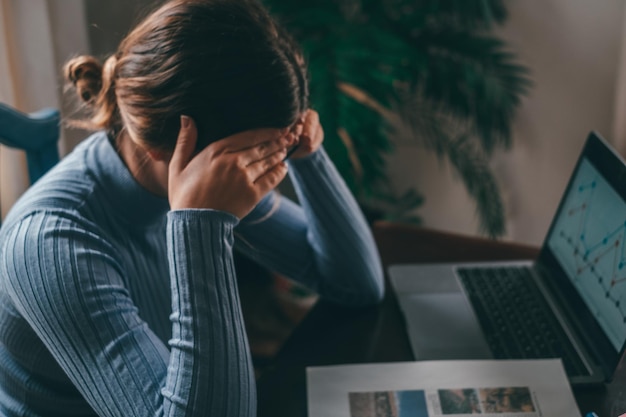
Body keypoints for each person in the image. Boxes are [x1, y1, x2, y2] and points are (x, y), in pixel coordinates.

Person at [0, 0, 384, 416]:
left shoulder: (190, 170)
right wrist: (199, 227)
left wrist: (308, 156)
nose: (269, 170)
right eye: (259, 156)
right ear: (166, 147)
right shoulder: (51, 244)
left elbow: (356, 286)